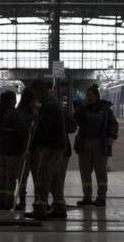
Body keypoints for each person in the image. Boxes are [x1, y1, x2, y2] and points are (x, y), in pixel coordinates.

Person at [24, 79, 65, 220]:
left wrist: (32, 148)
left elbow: (41, 130)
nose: (34, 97)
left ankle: (40, 209)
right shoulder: (54, 103)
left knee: (42, 177)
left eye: (35, 93)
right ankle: (59, 208)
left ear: (41, 90)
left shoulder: (48, 106)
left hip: (50, 147)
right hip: (57, 146)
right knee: (54, 178)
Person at [73, 84, 119, 207]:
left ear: (97, 96)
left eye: (90, 95)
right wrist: (82, 106)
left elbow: (113, 124)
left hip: (100, 144)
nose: (88, 98)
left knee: (101, 172)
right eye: (86, 96)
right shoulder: (82, 108)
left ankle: (101, 198)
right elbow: (74, 120)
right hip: (84, 144)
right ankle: (87, 197)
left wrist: (112, 136)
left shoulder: (106, 109)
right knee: (85, 172)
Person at [0, 90, 28, 210]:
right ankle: (9, 201)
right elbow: (22, 129)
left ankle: (1, 201)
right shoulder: (14, 113)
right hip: (12, 149)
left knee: (2, 175)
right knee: (11, 176)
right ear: (12, 100)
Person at [46, 88, 78, 219]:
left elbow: (72, 127)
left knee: (53, 179)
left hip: (54, 149)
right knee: (57, 179)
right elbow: (73, 127)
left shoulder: (47, 111)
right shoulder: (61, 111)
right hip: (63, 149)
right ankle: (58, 202)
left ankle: (58, 204)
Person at [15, 87, 36, 210]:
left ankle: (38, 199)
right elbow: (21, 130)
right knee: (23, 176)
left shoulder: (34, 110)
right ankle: (22, 199)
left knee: (35, 176)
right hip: (25, 148)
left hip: (34, 148)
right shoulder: (21, 112)